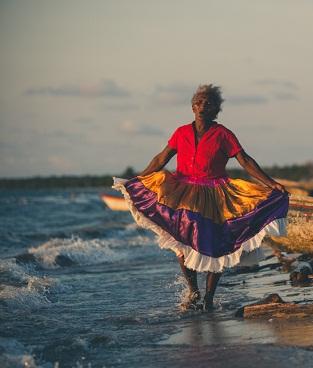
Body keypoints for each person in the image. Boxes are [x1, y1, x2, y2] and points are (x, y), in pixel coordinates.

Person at [113, 84, 289, 311]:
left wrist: (271, 183)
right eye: (198, 102)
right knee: (182, 245)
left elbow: (244, 160)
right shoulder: (181, 132)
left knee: (215, 246)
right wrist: (137, 179)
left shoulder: (223, 134)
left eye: (208, 103)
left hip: (215, 194)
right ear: (192, 107)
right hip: (183, 192)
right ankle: (194, 291)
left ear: (216, 109)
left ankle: (209, 299)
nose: (202, 106)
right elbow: (160, 160)